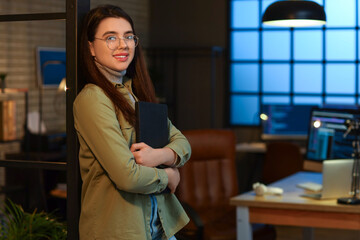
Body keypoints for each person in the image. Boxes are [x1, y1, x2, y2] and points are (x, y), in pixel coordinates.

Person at [73, 4, 191, 240]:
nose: (122, 44)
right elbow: (128, 176)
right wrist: (168, 176)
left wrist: (159, 156)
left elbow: (183, 143)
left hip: (157, 227)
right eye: (110, 38)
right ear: (91, 47)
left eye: (128, 36)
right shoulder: (93, 98)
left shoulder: (133, 93)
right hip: (120, 231)